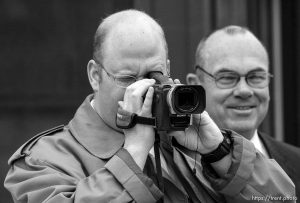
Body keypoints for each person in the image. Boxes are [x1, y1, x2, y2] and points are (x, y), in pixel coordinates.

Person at [4, 11, 295, 203]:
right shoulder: (43, 161)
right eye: (128, 78)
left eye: (154, 75)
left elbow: (283, 200)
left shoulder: (185, 145)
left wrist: (218, 151)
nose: (142, 89)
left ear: (168, 67)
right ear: (95, 76)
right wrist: (133, 153)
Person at [187, 25, 300, 200]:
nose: (244, 90)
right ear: (195, 85)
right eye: (227, 78)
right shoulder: (170, 167)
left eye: (256, 77)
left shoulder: (296, 162)